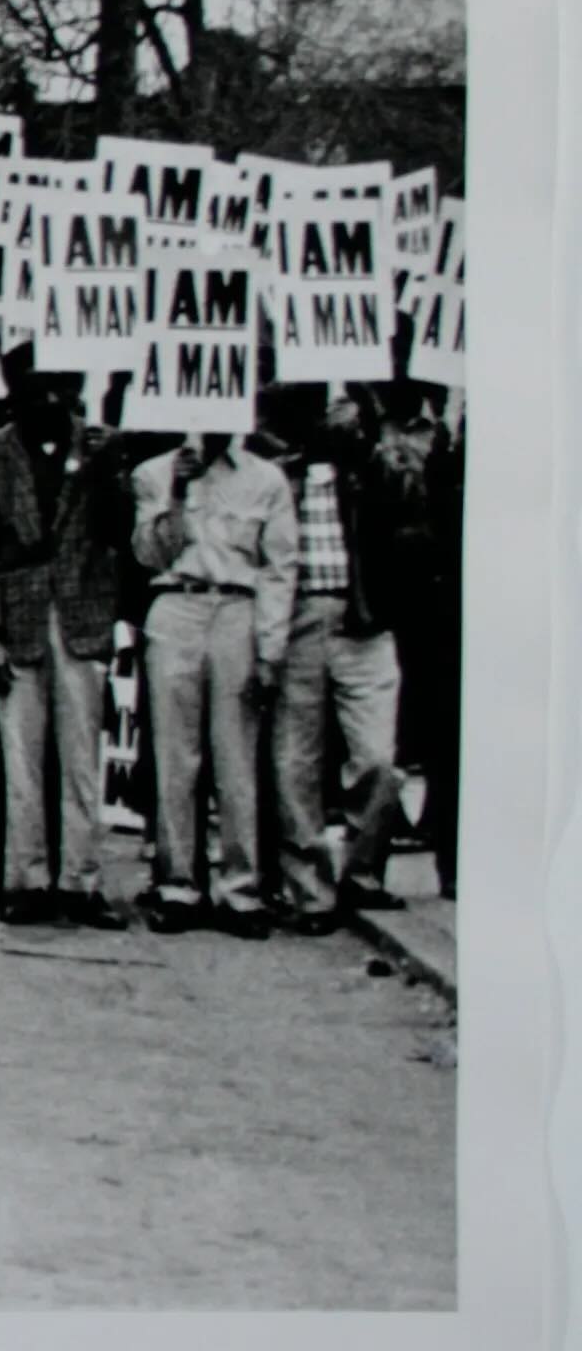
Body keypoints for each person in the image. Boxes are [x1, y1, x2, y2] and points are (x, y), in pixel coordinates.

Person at [0, 349, 138, 929]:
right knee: (22, 760)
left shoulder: (101, 447)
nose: (50, 401)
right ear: (16, 394)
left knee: (82, 762)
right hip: (19, 621)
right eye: (36, 390)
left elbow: (118, 531)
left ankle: (81, 883)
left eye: (59, 388)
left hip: (82, 618)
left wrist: (107, 467)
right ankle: (27, 879)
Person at [131, 411, 297, 935]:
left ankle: (240, 889)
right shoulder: (155, 473)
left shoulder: (266, 478)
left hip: (236, 612)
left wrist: (270, 647)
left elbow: (278, 567)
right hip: (175, 604)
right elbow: (147, 553)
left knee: (235, 756)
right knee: (176, 755)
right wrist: (177, 492)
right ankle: (177, 883)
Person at [259, 385, 409, 934]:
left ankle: (361, 868)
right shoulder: (277, 471)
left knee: (375, 755)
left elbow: (408, 495)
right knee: (295, 759)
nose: (336, 416)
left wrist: (367, 444)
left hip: (362, 618)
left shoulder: (372, 471)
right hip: (298, 617)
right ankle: (309, 890)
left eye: (347, 407)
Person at [361, 377, 462, 903]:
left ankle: (453, 863)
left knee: (447, 737)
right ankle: (367, 865)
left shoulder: (447, 436)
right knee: (386, 743)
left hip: (443, 606)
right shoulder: (364, 432)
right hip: (387, 605)